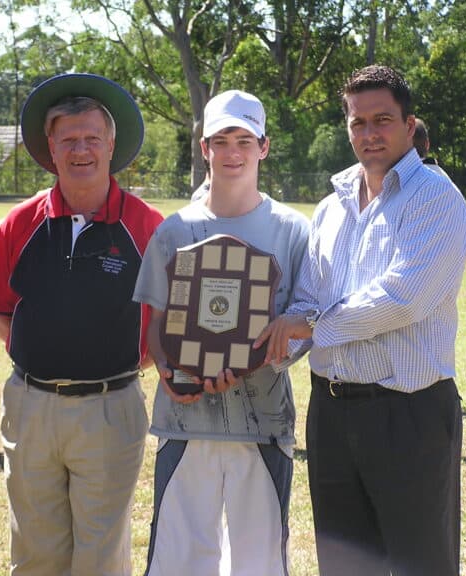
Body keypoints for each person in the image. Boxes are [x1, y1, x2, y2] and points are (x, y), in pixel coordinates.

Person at [256, 65, 466, 575]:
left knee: (422, 563)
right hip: (331, 415)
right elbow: (306, 298)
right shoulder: (331, 208)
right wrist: (256, 346)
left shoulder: (435, 198)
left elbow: (402, 298)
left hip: (409, 416)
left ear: (409, 125)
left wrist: (311, 326)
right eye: (358, 122)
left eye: (383, 120)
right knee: (344, 565)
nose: (369, 133)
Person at [0, 73, 164, 576]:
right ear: (51, 149)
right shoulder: (21, 221)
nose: (81, 150)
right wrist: (46, 358)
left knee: (100, 558)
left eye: (92, 138)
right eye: (69, 140)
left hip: (111, 408)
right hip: (31, 408)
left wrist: (114, 363)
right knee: (35, 556)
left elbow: (165, 322)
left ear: (111, 146)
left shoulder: (147, 225)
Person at [134, 90, 310, 576]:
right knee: (178, 561)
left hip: (263, 421)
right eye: (221, 141)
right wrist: (170, 371)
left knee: (260, 562)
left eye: (245, 141)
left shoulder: (293, 230)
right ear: (204, 147)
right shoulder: (175, 230)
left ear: (264, 147)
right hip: (184, 420)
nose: (233, 153)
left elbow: (304, 322)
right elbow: (157, 323)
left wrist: (262, 355)